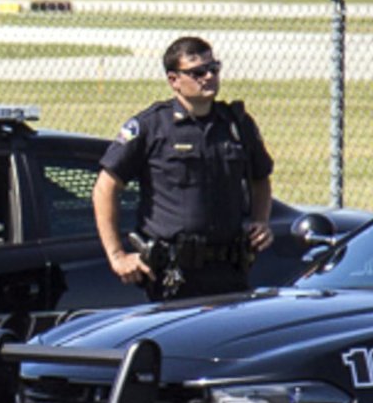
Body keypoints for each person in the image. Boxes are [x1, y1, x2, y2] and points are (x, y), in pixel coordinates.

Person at [94, 35, 274, 301]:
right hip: (171, 276)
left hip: (229, 271)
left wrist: (261, 221)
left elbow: (261, 178)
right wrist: (117, 255)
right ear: (174, 80)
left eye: (214, 68)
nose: (209, 77)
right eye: (197, 72)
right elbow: (105, 188)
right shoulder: (152, 127)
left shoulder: (236, 125)